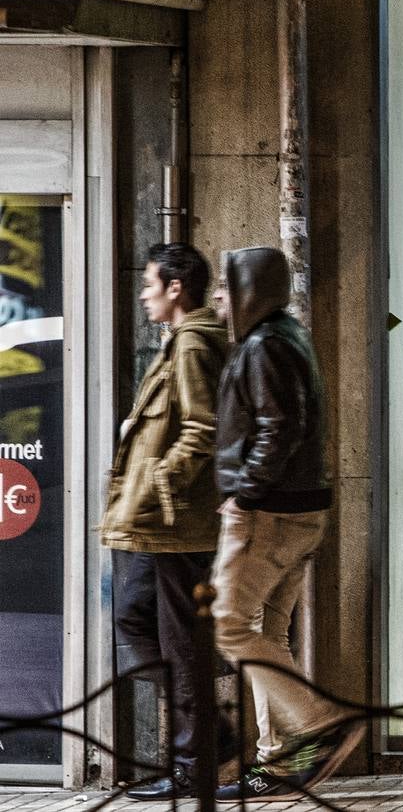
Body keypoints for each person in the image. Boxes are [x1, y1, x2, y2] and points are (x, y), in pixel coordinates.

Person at [209, 246, 362, 799]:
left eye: (226, 289)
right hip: (300, 511)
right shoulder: (288, 338)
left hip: (269, 514)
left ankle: (322, 721)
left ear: (249, 290)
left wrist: (244, 495)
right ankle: (275, 763)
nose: (219, 300)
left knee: (227, 623)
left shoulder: (263, 346)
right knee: (268, 634)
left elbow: (279, 426)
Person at [100, 243, 231, 799]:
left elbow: (203, 426)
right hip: (160, 523)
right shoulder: (180, 342)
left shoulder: (195, 344)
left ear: (177, 286)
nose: (145, 293)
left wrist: (162, 482)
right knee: (135, 619)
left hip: (177, 523)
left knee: (179, 642)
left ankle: (193, 763)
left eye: (151, 283)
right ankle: (213, 737)